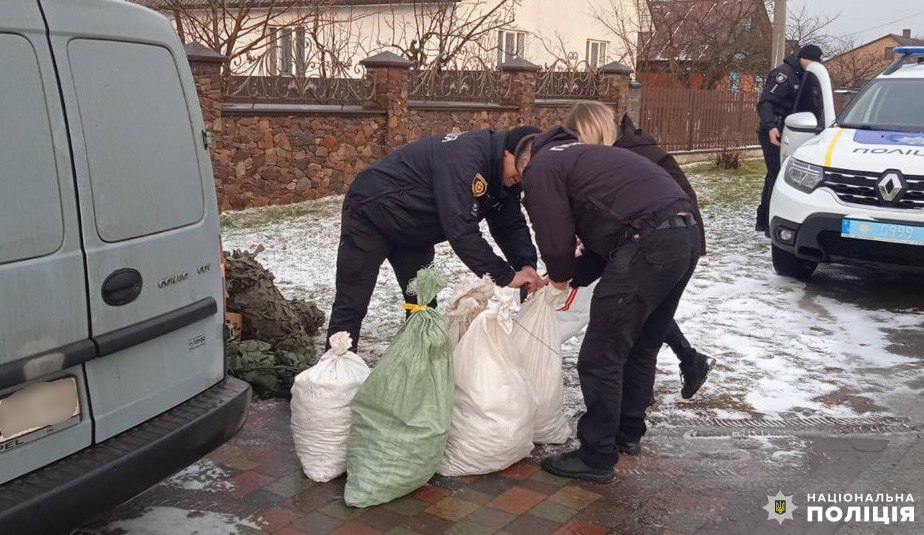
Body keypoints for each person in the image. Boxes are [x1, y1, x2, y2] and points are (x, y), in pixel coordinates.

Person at [515, 127, 701, 482]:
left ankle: (597, 454)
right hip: (685, 235)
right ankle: (627, 434)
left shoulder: (541, 166)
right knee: (643, 344)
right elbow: (607, 237)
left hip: (647, 243)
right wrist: (574, 277)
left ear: (525, 160)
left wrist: (557, 273)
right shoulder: (582, 157)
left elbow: (553, 233)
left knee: (601, 355)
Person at [326, 127, 543, 350]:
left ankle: (418, 368)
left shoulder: (500, 175)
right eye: (517, 174)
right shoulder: (466, 159)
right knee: (353, 300)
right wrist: (504, 275)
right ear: (507, 152)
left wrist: (526, 265)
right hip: (370, 211)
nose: (518, 181)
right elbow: (461, 231)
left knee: (423, 305)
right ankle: (334, 374)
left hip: (414, 228)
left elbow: (510, 224)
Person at [562, 101, 713, 404]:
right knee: (643, 328)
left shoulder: (622, 156)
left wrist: (571, 269)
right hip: (678, 239)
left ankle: (624, 418)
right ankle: (639, 411)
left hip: (656, 241)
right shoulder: (629, 147)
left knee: (625, 329)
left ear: (589, 132)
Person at [755, 44, 823, 233]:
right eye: (813, 61)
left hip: (793, 131)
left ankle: (766, 220)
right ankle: (767, 221)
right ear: (803, 58)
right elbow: (765, 103)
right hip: (775, 132)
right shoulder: (784, 75)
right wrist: (770, 127)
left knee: (784, 176)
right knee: (776, 175)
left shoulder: (804, 74)